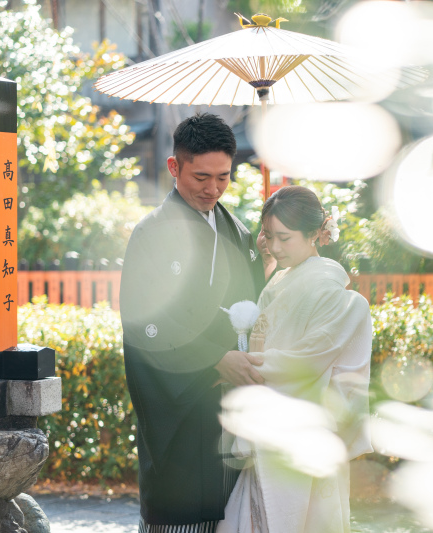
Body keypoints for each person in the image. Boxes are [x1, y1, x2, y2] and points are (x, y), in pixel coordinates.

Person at [120, 113, 272, 533]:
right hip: (182, 409)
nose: (213, 189)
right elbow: (145, 326)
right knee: (182, 518)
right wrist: (213, 358)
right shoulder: (151, 233)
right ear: (175, 167)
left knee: (232, 515)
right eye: (201, 177)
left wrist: (269, 262)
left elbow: (255, 306)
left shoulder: (238, 231)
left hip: (229, 406)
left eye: (223, 177)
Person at [217, 186, 373, 533]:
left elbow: (308, 358)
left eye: (284, 238)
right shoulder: (284, 278)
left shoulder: (328, 288)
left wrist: (244, 367)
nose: (274, 247)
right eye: (269, 236)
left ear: (316, 234)